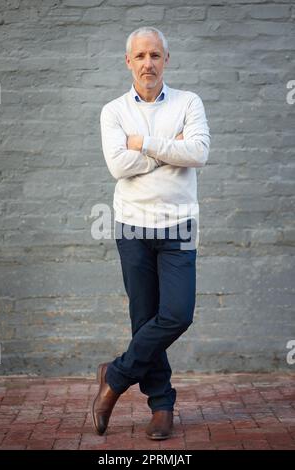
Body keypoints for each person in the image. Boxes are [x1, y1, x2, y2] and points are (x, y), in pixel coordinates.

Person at [92, 26, 210, 440]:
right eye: (140, 56)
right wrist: (165, 147)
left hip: (179, 226)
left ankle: (116, 376)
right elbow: (118, 167)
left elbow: (198, 152)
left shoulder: (189, 102)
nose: (148, 63)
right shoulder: (113, 111)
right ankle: (161, 405)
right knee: (144, 318)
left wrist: (141, 143)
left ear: (166, 61)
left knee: (177, 314)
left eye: (155, 56)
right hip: (132, 226)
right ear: (129, 62)